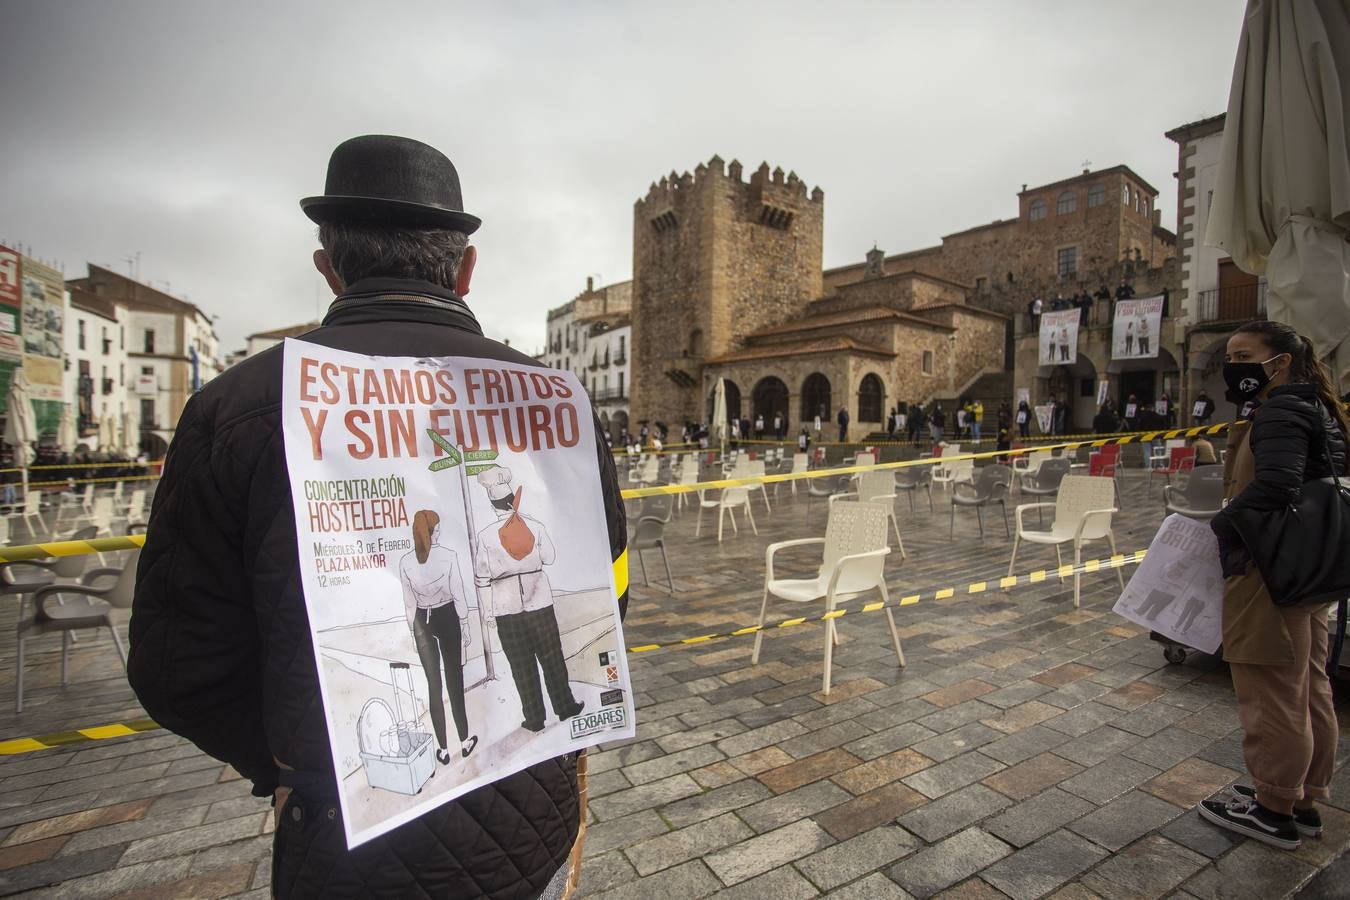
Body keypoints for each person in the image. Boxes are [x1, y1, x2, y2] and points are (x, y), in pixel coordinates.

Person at [128, 135, 628, 898]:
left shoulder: (233, 409)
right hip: (532, 811)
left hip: (344, 834)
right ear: (464, 269)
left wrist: (290, 766)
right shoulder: (556, 401)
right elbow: (610, 586)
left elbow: (177, 667)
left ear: (328, 263)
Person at [1200, 320, 1347, 850]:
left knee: (1273, 690)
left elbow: (1277, 484)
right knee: (1310, 686)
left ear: (1279, 361)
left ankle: (1273, 807)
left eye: (1243, 355)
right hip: (1311, 570)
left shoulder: (1282, 407)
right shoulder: (1320, 408)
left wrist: (1219, 525)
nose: (1232, 365)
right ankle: (1303, 797)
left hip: (1273, 570)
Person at [473, 467, 583, 732]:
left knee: (521, 666)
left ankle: (534, 719)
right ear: (513, 500)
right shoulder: (534, 525)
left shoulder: (486, 536)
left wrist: (487, 613)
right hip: (540, 604)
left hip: (506, 611)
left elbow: (481, 576)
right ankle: (565, 706)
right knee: (552, 658)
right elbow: (550, 558)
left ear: (492, 504)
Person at [401, 510, 478, 764]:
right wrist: (465, 623)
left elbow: (409, 603)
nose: (441, 532)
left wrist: (413, 633)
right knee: (454, 679)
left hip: (422, 619)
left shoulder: (406, 562)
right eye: (438, 528)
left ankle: (443, 750)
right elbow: (458, 593)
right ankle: (465, 741)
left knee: (434, 686)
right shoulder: (448, 557)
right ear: (432, 532)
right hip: (447, 617)